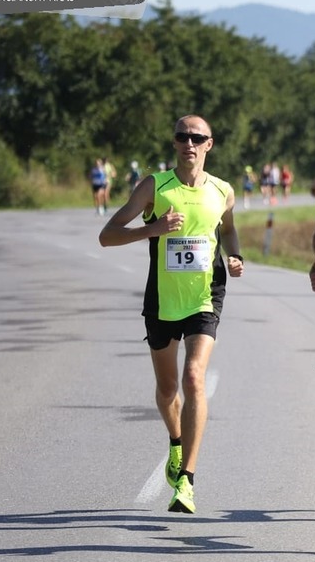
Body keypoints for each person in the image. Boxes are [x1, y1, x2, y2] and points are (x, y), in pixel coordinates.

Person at [98, 114, 244, 515]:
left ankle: (187, 481)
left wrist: (235, 255)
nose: (189, 144)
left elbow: (227, 229)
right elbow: (107, 236)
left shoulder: (223, 191)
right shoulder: (154, 186)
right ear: (174, 142)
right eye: (182, 136)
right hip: (162, 299)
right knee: (167, 392)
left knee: (193, 376)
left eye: (197, 138)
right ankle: (176, 443)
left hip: (205, 296)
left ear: (210, 144)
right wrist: (155, 228)